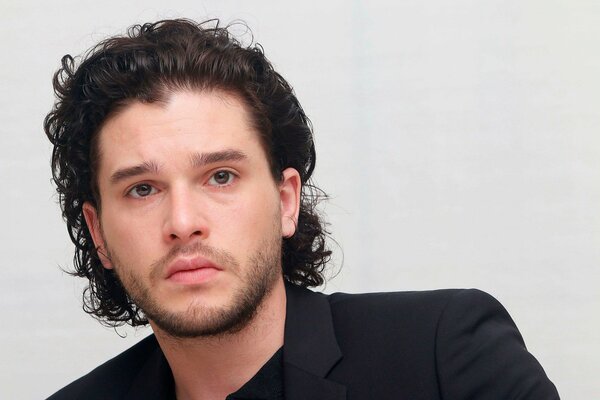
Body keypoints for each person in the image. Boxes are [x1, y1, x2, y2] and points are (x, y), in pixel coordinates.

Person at [44, 19, 559, 400]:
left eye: (220, 177)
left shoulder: (442, 353)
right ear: (99, 234)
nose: (182, 223)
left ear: (286, 201)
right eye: (142, 189)